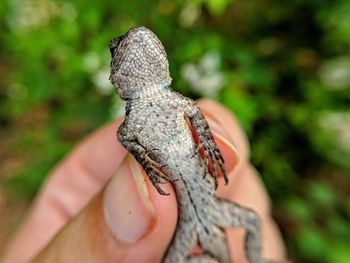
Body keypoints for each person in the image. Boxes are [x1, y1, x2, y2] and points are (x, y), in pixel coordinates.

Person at [3, 100, 286, 263]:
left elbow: (195, 113)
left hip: (211, 210)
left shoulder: (169, 102)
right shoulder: (133, 121)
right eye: (117, 47)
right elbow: (126, 137)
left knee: (252, 220)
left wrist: (209, 143)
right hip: (185, 225)